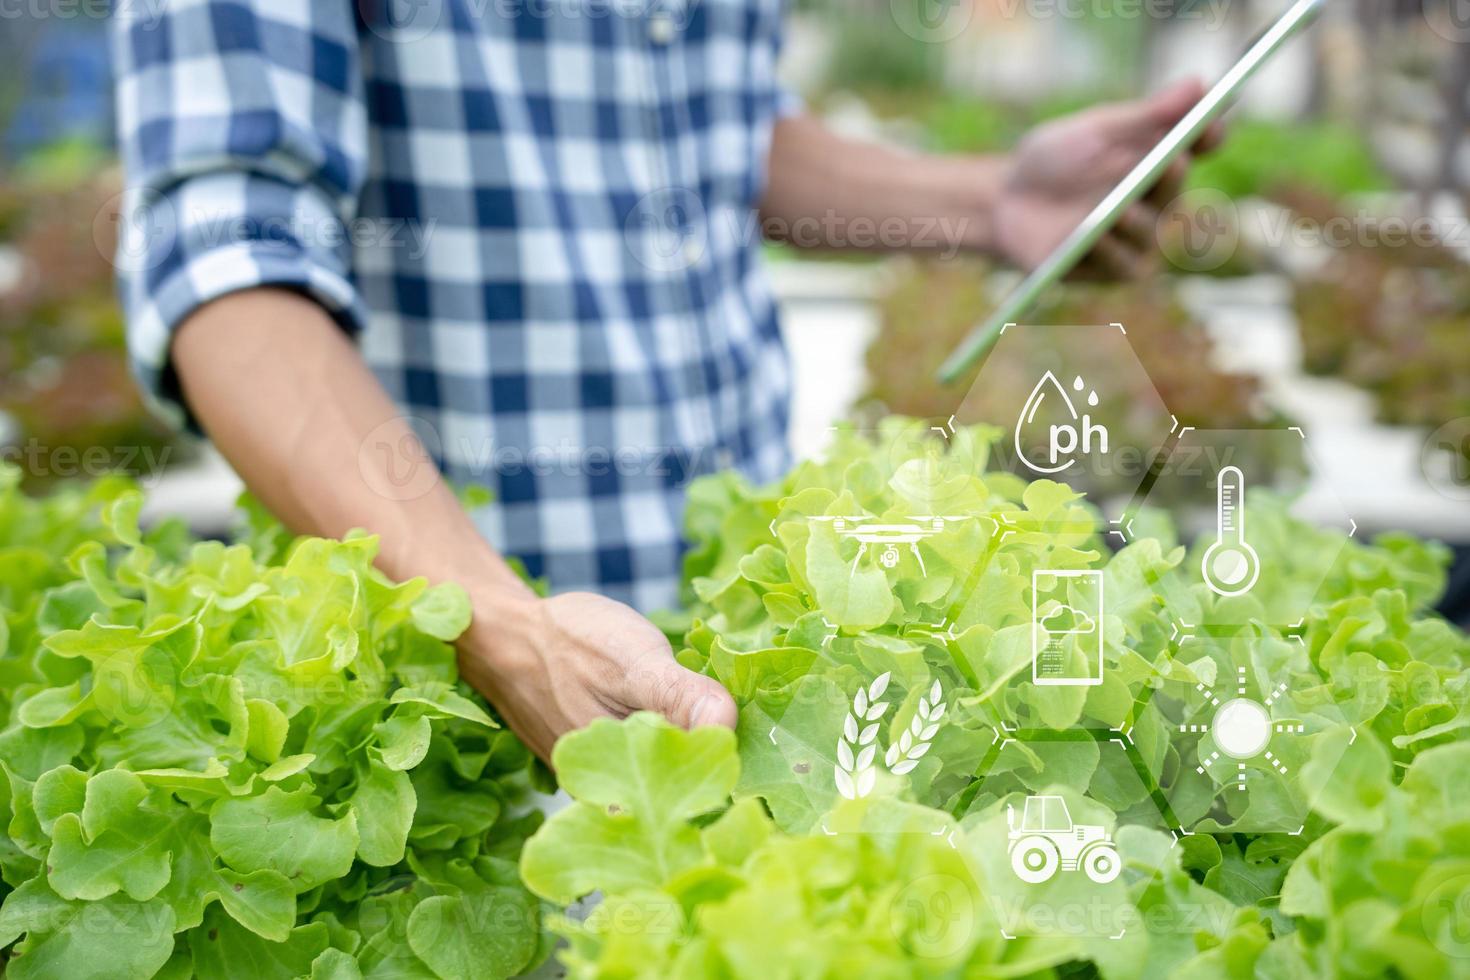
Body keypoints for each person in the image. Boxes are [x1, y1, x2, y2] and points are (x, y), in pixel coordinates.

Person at [111, 1, 1210, 762]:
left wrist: (987, 201)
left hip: (733, 645)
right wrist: (494, 622)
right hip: (448, 699)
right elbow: (227, 258)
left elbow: (709, 132)